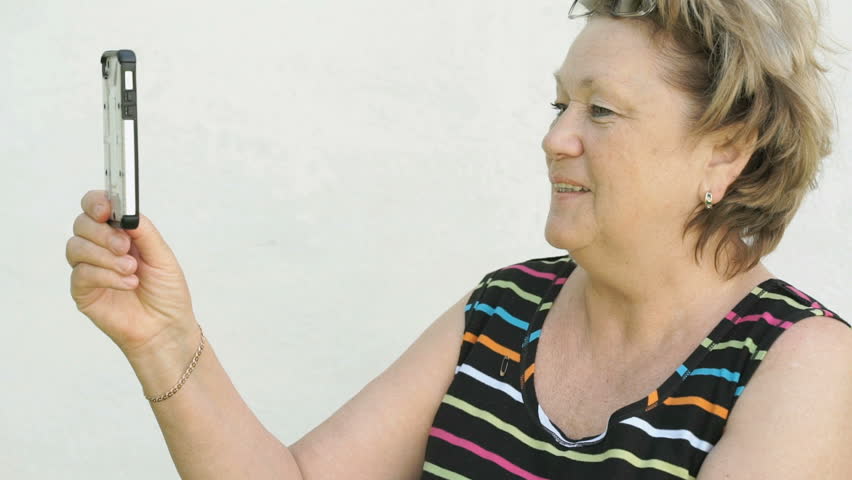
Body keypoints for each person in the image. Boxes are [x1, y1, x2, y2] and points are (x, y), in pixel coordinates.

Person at [67, 0, 851, 478]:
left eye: (600, 112)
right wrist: (165, 342)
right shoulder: (506, 309)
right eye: (558, 105)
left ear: (726, 150)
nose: (557, 138)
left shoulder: (803, 364)